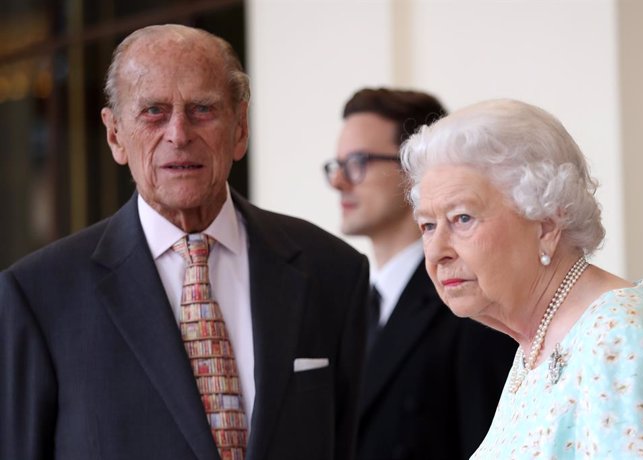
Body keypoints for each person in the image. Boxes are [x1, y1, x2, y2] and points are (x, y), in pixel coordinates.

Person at [0, 24, 369, 460]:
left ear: (240, 128)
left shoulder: (332, 270)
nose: (178, 133)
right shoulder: (39, 295)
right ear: (115, 134)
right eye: (153, 111)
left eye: (202, 109)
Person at [400, 98, 643, 458]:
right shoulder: (536, 347)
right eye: (428, 225)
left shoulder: (620, 336)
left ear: (546, 225)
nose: (437, 250)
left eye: (462, 219)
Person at [323, 88, 517, 460]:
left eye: (359, 161)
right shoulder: (348, 307)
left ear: (417, 169)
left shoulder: (471, 302)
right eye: (338, 164)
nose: (339, 181)